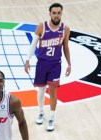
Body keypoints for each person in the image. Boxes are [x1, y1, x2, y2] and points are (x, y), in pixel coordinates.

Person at [24, 3, 71, 132]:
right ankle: (40, 112)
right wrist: (27, 60)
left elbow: (66, 47)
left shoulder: (65, 29)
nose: (56, 15)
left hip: (55, 65)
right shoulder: (41, 27)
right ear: (49, 13)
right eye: (54, 13)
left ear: (61, 14)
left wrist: (69, 64)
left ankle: (51, 118)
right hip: (42, 64)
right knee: (41, 91)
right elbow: (33, 45)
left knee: (53, 91)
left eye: (58, 13)